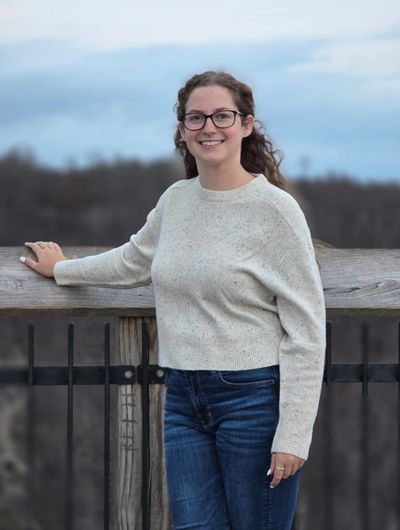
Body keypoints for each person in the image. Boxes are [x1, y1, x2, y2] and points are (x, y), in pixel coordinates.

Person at [20, 70, 326, 530]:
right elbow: (132, 261)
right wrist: (61, 269)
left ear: (246, 124)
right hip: (182, 396)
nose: (208, 127)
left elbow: (306, 328)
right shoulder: (176, 200)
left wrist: (294, 435)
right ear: (183, 130)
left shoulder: (276, 210)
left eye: (222, 116)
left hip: (252, 400)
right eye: (195, 118)